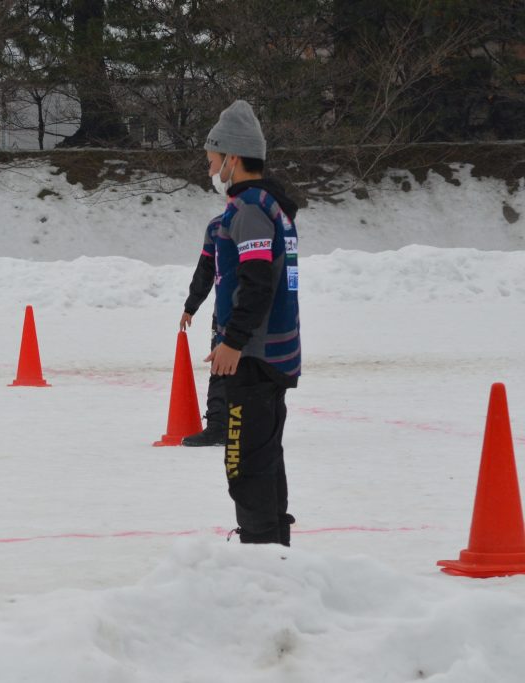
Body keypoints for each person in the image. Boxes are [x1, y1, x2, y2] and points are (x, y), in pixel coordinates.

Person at [202, 100, 301, 546]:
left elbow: (257, 282)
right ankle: (275, 550)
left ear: (233, 158)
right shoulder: (268, 204)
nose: (210, 168)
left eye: (213, 160)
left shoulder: (250, 209)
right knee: (265, 457)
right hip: (270, 354)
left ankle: (261, 554)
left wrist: (234, 341)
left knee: (244, 464)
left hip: (256, 357)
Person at [179, 213, 228, 447]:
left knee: (254, 370)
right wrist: (191, 306)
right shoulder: (217, 226)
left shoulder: (265, 221)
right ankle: (218, 427)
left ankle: (255, 427)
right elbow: (205, 270)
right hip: (224, 315)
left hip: (258, 315)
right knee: (220, 368)